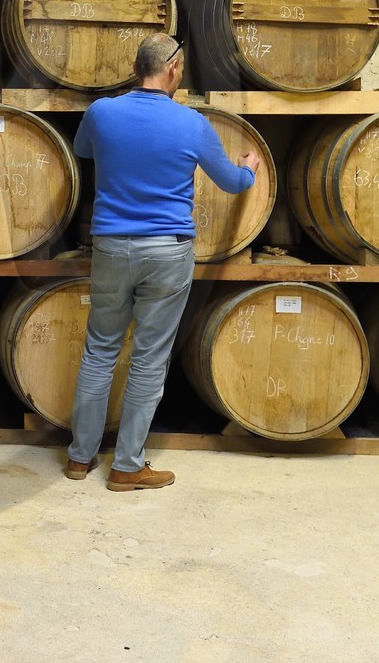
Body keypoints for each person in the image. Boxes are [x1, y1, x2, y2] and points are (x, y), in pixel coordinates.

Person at [65, 32, 259, 490]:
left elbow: (82, 151)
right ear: (172, 69)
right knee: (149, 359)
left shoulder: (102, 112)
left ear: (136, 69)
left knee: (99, 350)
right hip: (167, 251)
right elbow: (231, 183)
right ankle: (127, 467)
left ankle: (79, 457)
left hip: (111, 246)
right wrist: (249, 166)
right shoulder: (191, 124)